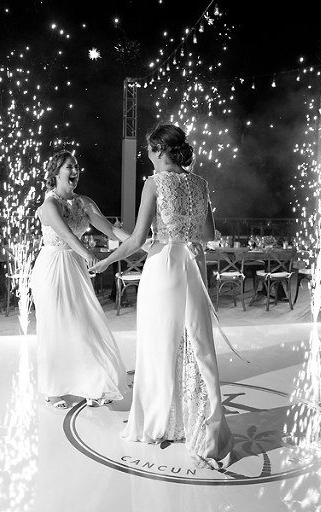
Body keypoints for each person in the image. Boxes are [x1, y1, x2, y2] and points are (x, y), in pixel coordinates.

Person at [90, 124, 234, 469]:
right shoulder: (200, 184)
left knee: (159, 344)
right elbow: (210, 233)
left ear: (158, 149)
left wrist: (107, 260)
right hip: (193, 265)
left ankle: (159, 422)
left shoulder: (154, 183)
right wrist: (183, 234)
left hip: (163, 266)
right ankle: (199, 424)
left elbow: (138, 239)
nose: (148, 157)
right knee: (196, 343)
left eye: (149, 151)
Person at [30, 150, 129, 409]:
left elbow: (109, 228)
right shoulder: (49, 205)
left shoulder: (84, 202)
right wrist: (89, 254)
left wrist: (138, 240)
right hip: (52, 267)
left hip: (74, 266)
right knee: (56, 325)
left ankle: (92, 383)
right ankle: (53, 389)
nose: (75, 171)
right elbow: (68, 237)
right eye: (69, 167)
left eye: (76, 166)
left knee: (85, 325)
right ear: (56, 172)